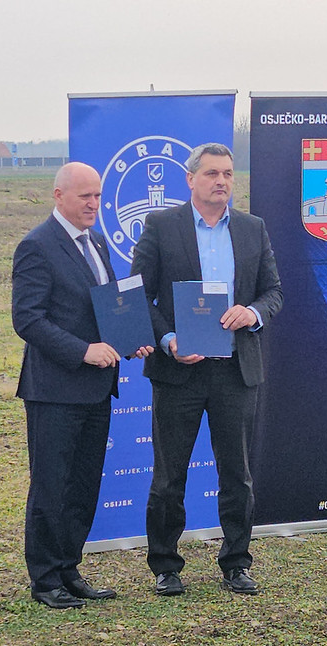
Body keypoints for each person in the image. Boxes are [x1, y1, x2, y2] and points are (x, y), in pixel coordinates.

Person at [131, 143, 283, 597]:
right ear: (191, 179)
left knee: (237, 475)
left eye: (228, 174)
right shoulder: (161, 226)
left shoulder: (253, 228)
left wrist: (251, 313)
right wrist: (167, 339)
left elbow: (273, 292)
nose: (222, 181)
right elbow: (138, 294)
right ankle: (165, 565)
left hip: (235, 371)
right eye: (212, 173)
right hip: (178, 371)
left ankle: (236, 563)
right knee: (169, 476)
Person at [12, 162, 152, 609]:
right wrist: (83, 351)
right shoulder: (36, 246)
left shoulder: (97, 242)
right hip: (54, 391)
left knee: (83, 485)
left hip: (96, 389)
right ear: (59, 196)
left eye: (98, 196)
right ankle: (45, 580)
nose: (94, 204)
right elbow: (28, 319)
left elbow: (105, 307)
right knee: (52, 485)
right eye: (84, 196)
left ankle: (69, 569)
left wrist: (129, 340)